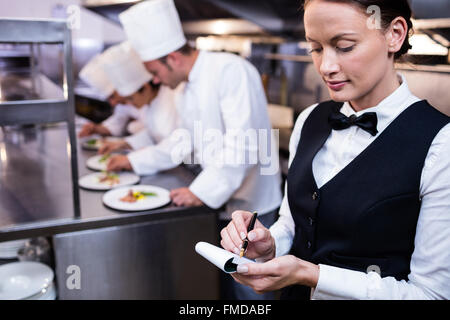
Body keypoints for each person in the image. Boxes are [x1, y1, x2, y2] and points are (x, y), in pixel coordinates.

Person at [220, 0, 450, 300]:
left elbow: (431, 294)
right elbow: (292, 223)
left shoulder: (439, 143)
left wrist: (311, 275)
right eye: (315, 48)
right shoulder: (310, 119)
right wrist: (268, 244)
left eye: (344, 46)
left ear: (394, 34)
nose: (326, 67)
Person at [117, 0, 283, 299]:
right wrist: (132, 160)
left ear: (172, 58)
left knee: (253, 288)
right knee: (229, 283)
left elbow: (245, 143)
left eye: (154, 71)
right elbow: (181, 142)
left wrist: (201, 190)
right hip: (222, 202)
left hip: (253, 204)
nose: (155, 80)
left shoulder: (232, 70)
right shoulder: (183, 89)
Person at [94, 41, 180, 155]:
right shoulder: (150, 103)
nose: (129, 103)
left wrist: (131, 161)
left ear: (145, 87)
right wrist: (123, 144)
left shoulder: (172, 98)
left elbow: (172, 145)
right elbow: (153, 135)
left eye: (130, 98)